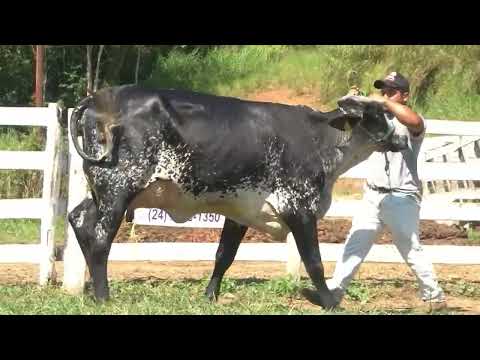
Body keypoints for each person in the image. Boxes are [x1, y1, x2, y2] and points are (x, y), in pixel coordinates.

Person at [326, 71, 446, 307]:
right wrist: (353, 98)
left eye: (391, 91)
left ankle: (434, 297)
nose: (385, 94)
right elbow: (342, 113)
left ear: (405, 96)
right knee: (355, 243)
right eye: (383, 90)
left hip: (401, 196)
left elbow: (416, 122)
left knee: (410, 249)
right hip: (373, 195)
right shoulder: (374, 118)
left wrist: (383, 102)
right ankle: (334, 292)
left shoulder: (410, 121)